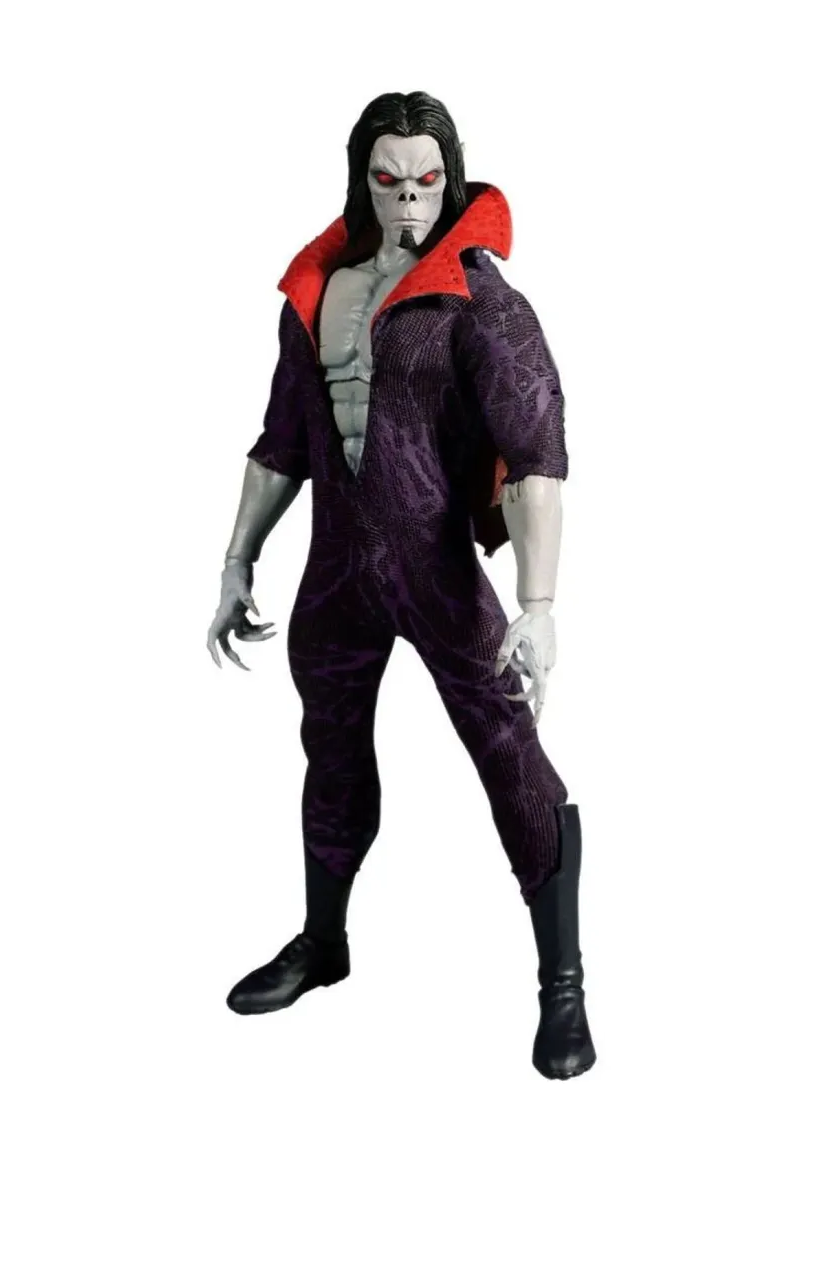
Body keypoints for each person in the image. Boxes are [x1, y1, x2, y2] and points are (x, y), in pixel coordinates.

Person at [207, 91, 595, 1079]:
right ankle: (322, 942)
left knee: (507, 752)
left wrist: (539, 605)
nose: (411, 199)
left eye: (427, 180)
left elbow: (537, 454)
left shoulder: (481, 302)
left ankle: (562, 984)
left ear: (448, 179)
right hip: (336, 570)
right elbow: (282, 440)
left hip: (434, 568)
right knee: (330, 756)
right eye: (390, 180)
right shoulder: (318, 293)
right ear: (364, 181)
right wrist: (238, 559)